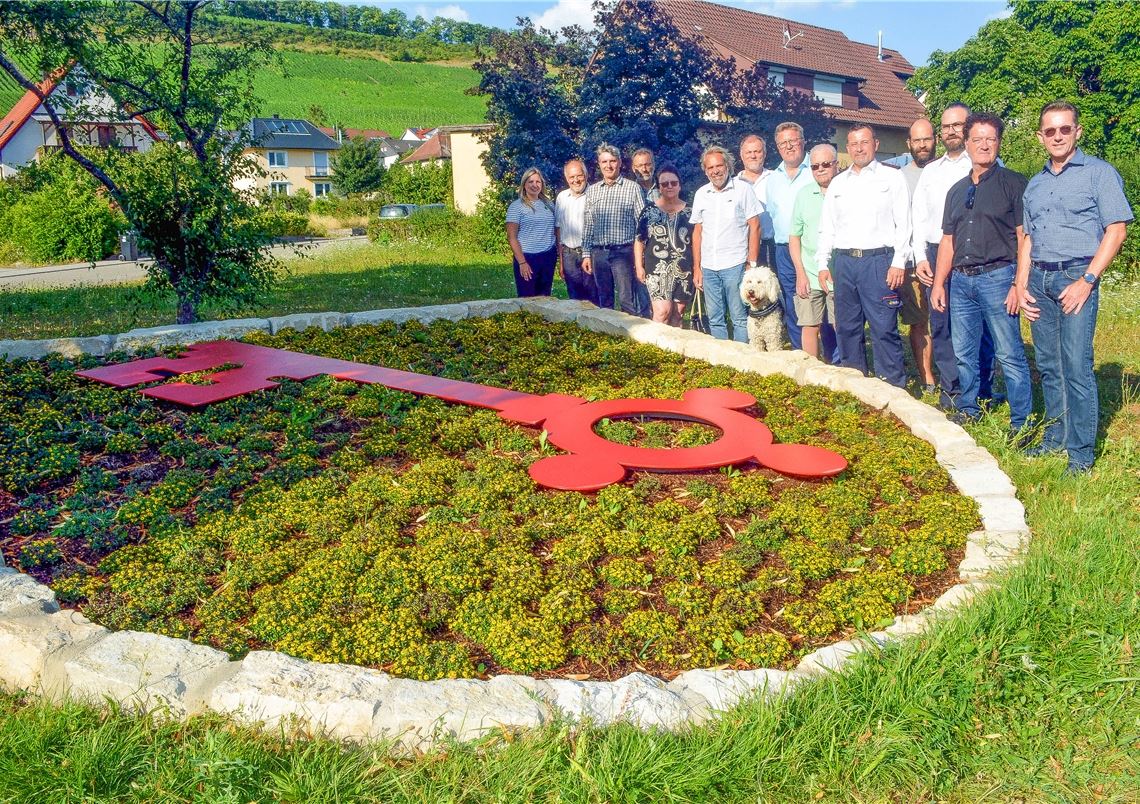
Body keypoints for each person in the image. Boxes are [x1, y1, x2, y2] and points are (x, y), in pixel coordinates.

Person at [1017, 100, 1132, 475]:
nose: (1058, 136)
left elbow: (1117, 230)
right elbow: (1028, 240)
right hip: (1040, 280)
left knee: (1077, 367)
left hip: (1076, 277)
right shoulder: (1034, 184)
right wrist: (1021, 286)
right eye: (1050, 131)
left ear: (1077, 131)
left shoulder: (1100, 174)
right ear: (1040, 136)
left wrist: (1087, 280)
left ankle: (1081, 455)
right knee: (1049, 365)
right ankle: (1055, 439)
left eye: (1065, 129)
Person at [930, 113, 1033, 440]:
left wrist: (1019, 283)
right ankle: (969, 408)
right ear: (968, 142)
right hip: (960, 282)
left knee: (1009, 353)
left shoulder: (1014, 183)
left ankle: (1022, 424)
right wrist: (938, 283)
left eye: (990, 138)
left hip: (998, 277)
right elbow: (948, 240)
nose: (984, 145)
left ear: (999, 142)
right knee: (964, 351)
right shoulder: (956, 191)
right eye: (977, 139)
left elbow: (1024, 237)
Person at [912, 102, 997, 410]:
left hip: (973, 255)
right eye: (945, 126)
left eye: (956, 125)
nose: (950, 131)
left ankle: (983, 391)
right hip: (936, 255)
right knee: (942, 324)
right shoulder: (931, 172)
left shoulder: (981, 168)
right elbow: (917, 217)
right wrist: (920, 257)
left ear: (969, 127)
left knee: (981, 327)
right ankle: (952, 389)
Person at [816, 122, 911, 388]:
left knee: (883, 330)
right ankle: (856, 388)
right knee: (847, 329)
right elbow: (827, 227)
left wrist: (898, 262)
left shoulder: (892, 178)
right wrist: (823, 264)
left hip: (878, 262)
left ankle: (893, 390)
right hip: (844, 263)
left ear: (876, 145)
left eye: (865, 142)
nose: (859, 148)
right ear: (848, 149)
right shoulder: (838, 183)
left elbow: (905, 223)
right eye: (854, 144)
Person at [766, 121, 836, 357]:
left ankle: (833, 355)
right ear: (777, 147)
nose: (788, 147)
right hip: (785, 249)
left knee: (828, 303)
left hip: (818, 249)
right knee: (797, 304)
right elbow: (774, 214)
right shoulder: (772, 178)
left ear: (802, 142)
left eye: (793, 141)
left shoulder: (816, 168)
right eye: (783, 143)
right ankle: (802, 356)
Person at [690, 145, 760, 342]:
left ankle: (742, 363)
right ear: (705, 170)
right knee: (715, 319)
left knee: (739, 318)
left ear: (728, 165)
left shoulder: (743, 189)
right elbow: (698, 232)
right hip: (709, 267)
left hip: (735, 264)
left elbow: (754, 226)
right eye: (710, 168)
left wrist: (751, 264)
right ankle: (722, 363)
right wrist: (697, 268)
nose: (715, 171)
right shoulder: (701, 194)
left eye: (719, 166)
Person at [582, 144, 646, 315]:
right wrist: (586, 254)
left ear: (619, 163)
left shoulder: (632, 188)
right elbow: (588, 224)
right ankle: (608, 336)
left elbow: (642, 224)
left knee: (627, 300)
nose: (608, 166)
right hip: (599, 254)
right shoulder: (593, 191)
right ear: (599, 164)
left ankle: (630, 336)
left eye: (612, 161)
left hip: (623, 252)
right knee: (605, 299)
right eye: (604, 162)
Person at [789, 144, 839, 361]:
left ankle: (845, 370)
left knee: (841, 325)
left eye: (826, 164)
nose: (820, 169)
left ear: (836, 165)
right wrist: (800, 272)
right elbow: (794, 236)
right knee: (809, 324)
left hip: (839, 273)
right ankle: (811, 375)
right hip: (809, 271)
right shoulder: (803, 195)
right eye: (815, 166)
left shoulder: (846, 190)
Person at [899, 118, 938, 393]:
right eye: (917, 140)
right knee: (918, 321)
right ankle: (927, 379)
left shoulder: (947, 171)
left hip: (946, 258)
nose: (922, 145)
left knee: (949, 322)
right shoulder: (899, 178)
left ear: (934, 139)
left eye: (927, 139)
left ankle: (955, 375)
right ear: (909, 144)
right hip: (912, 262)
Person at [634, 165, 694, 327]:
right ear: (659, 187)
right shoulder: (649, 211)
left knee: (678, 314)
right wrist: (639, 266)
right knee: (662, 312)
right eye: (664, 184)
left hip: (684, 268)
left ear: (679, 185)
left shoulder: (690, 212)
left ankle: (675, 351)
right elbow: (639, 240)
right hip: (657, 268)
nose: (669, 187)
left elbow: (697, 241)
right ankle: (655, 349)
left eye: (673, 183)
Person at [505, 167, 557, 297]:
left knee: (545, 298)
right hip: (527, 258)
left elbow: (555, 229)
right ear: (524, 185)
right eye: (530, 182)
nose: (535, 185)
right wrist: (522, 262)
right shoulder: (516, 207)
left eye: (538, 182)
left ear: (542, 184)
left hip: (547, 256)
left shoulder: (549, 204)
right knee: (527, 298)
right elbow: (512, 238)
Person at [554, 158, 597, 305]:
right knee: (574, 298)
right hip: (569, 255)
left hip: (591, 253)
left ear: (586, 175)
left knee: (593, 297)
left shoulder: (596, 194)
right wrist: (561, 262)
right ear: (566, 178)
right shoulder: (561, 198)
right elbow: (559, 230)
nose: (576, 180)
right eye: (572, 177)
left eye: (579, 175)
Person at [736, 134, 775, 268]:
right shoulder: (733, 184)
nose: (753, 156)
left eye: (757, 151)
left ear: (764, 154)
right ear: (741, 155)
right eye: (749, 152)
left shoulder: (776, 178)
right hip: (741, 248)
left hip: (771, 246)